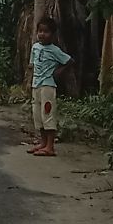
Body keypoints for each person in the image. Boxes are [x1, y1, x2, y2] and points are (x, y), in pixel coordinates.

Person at [28, 15, 72, 156]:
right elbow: (32, 65)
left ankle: (50, 146)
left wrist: (58, 71)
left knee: (47, 114)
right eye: (40, 31)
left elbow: (69, 61)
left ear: (52, 34)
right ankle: (43, 142)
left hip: (48, 86)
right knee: (37, 115)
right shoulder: (35, 47)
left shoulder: (55, 50)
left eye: (46, 31)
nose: (42, 34)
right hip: (36, 85)